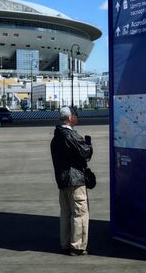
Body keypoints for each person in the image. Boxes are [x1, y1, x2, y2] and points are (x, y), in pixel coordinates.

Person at [50, 106, 93, 256]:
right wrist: (88, 144)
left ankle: (65, 243)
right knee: (80, 214)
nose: (77, 116)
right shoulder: (71, 135)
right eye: (75, 114)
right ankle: (77, 246)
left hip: (62, 181)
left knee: (66, 214)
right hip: (75, 181)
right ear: (69, 118)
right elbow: (85, 153)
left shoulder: (56, 137)